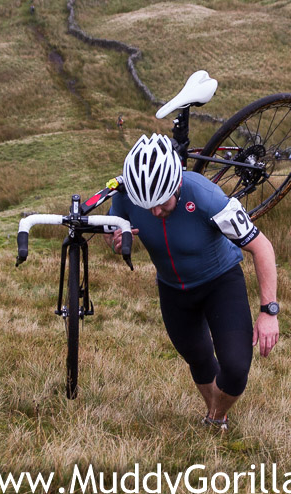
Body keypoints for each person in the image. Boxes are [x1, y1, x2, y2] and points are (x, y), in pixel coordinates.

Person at [105, 133, 280, 431]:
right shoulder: (126, 195)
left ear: (176, 185)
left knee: (236, 368)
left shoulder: (206, 197)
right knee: (198, 358)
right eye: (147, 206)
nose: (155, 212)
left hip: (220, 282)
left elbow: (261, 246)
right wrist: (115, 240)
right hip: (173, 290)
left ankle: (216, 415)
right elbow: (113, 233)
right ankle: (214, 418)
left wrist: (269, 311)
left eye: (161, 203)